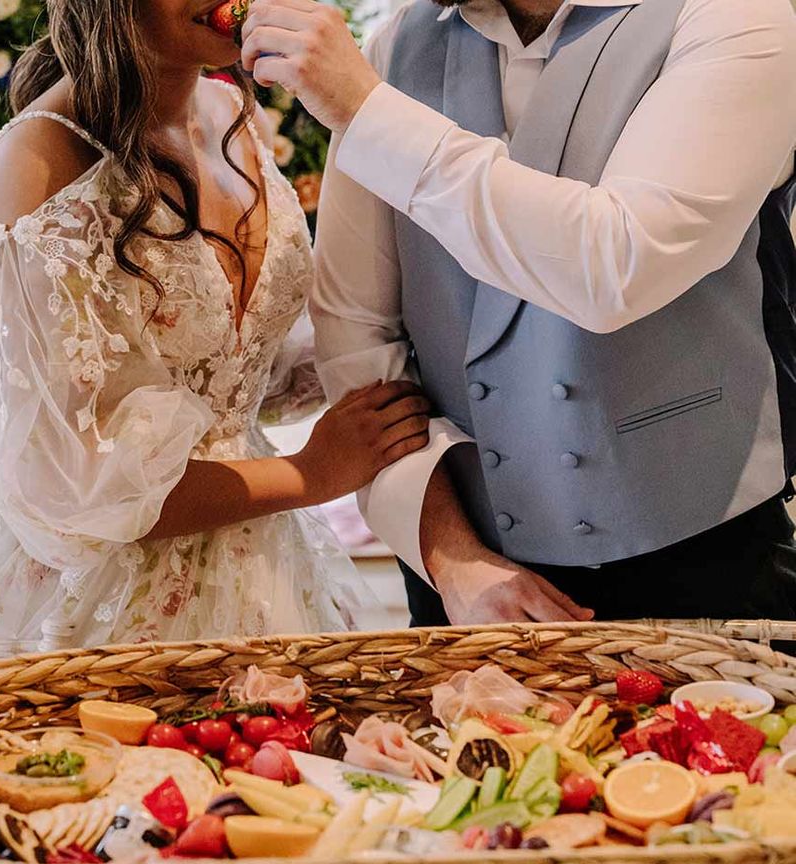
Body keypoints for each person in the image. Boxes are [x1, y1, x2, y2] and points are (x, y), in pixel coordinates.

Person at [0, 0, 431, 704]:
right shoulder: (35, 166)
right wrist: (311, 473)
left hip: (252, 568)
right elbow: (73, 487)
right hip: (84, 607)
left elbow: (231, 368)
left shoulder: (235, 114)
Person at [241, 0, 796, 626]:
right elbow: (358, 339)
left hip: (709, 569)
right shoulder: (396, 45)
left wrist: (370, 114)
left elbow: (617, 265)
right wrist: (453, 559)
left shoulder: (737, 15)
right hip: (465, 592)